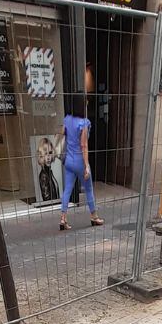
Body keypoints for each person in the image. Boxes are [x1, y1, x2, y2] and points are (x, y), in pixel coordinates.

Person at [59, 96, 103, 230]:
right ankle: (94, 216)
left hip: (68, 160)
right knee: (89, 188)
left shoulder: (67, 119)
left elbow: (62, 134)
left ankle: (63, 218)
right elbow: (84, 145)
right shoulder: (84, 123)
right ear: (82, 105)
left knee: (67, 189)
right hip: (79, 160)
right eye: (86, 102)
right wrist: (86, 166)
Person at [35, 135, 61, 204]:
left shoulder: (49, 173)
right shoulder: (44, 175)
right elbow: (48, 201)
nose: (48, 157)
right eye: (45, 154)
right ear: (41, 156)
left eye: (50, 153)